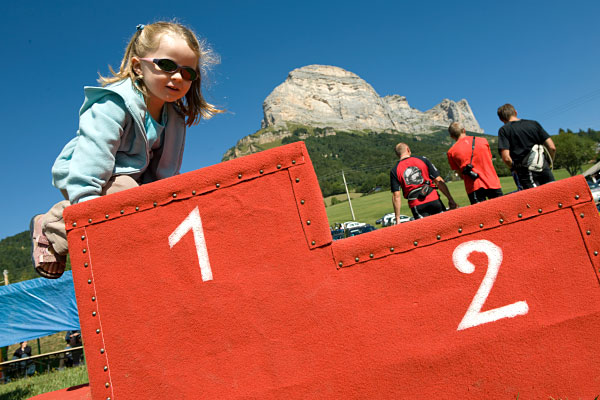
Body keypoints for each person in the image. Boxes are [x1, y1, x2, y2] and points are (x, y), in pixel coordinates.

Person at [30, 22, 223, 279]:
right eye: (166, 65)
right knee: (123, 192)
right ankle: (51, 224)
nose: (178, 77)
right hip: (86, 174)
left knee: (135, 203)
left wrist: (162, 212)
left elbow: (165, 174)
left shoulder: (174, 117)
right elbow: (90, 164)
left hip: (133, 181)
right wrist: (90, 216)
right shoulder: (112, 104)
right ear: (137, 66)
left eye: (188, 73)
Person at [390, 143, 457, 221]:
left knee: (426, 231)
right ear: (408, 150)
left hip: (416, 204)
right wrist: (450, 199)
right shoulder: (422, 159)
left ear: (397, 154)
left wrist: (397, 218)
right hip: (433, 199)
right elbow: (438, 180)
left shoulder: (394, 170)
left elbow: (396, 196)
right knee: (444, 224)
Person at [497, 103, 556, 189]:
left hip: (525, 172)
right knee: (555, 195)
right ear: (515, 112)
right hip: (544, 168)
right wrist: (549, 163)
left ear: (501, 119)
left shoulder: (504, 130)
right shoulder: (534, 124)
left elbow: (506, 158)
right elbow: (552, 147)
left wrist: (514, 169)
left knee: (536, 200)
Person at [447, 122, 503, 204]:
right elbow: (489, 160)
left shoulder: (451, 152)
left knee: (482, 215)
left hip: (473, 187)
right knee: (502, 209)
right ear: (464, 130)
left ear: (451, 136)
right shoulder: (483, 141)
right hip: (492, 182)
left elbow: (460, 174)